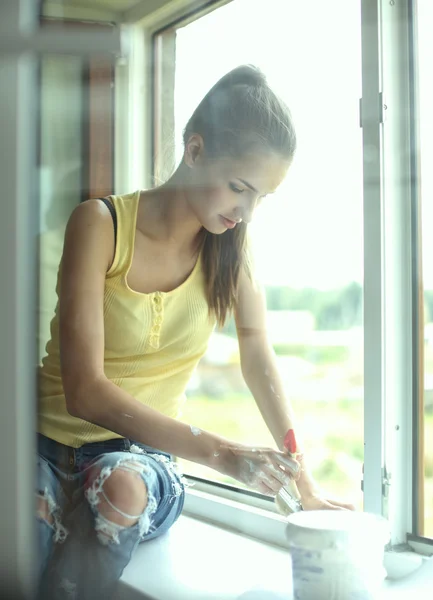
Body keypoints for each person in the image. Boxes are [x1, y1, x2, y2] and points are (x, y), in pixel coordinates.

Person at [36, 64, 354, 600]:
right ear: (196, 149)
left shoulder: (232, 253)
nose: (247, 212)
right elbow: (84, 390)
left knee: (121, 487)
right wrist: (226, 456)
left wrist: (304, 481)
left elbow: (258, 359)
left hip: (138, 461)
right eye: (239, 189)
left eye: (262, 199)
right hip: (42, 447)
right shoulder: (98, 224)